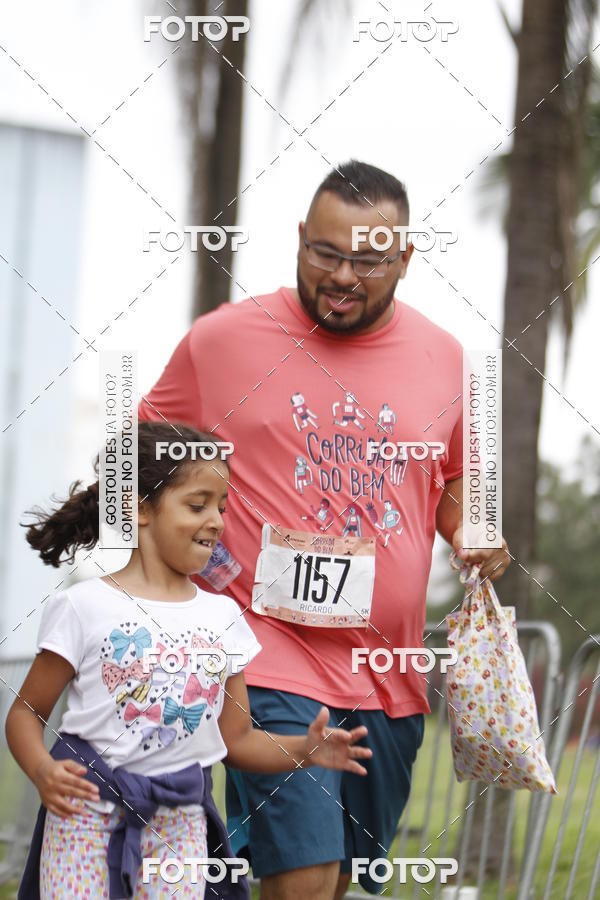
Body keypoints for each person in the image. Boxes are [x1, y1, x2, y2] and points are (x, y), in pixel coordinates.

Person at [138, 160, 510, 899]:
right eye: (325, 253)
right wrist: (188, 567)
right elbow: (139, 452)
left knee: (333, 876)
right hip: (263, 648)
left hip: (386, 674)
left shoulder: (448, 359)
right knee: (304, 868)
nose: (342, 275)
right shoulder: (222, 341)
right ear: (300, 239)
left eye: (367, 261)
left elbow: (461, 486)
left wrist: (478, 530)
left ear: (404, 258)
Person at [6, 422, 371, 900]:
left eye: (221, 507)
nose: (217, 521)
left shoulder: (223, 617)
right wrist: (41, 770)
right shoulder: (83, 606)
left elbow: (236, 739)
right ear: (139, 509)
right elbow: (25, 713)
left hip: (181, 826)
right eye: (198, 505)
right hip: (85, 813)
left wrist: (304, 750)